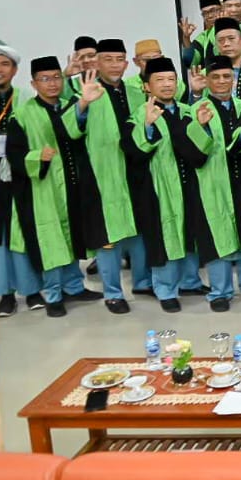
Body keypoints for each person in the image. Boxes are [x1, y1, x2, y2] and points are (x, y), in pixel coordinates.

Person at [5, 57, 105, 317]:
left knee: (72, 237)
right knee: (51, 242)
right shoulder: (22, 115)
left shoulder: (71, 105)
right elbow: (14, 154)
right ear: (33, 83)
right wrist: (37, 157)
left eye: (56, 77)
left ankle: (74, 286)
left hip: (71, 184)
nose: (52, 84)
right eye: (45, 79)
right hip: (43, 190)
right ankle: (53, 295)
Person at [128, 56, 210, 312]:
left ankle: (190, 281)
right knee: (165, 238)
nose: (166, 84)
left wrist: (202, 127)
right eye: (159, 80)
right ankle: (165, 289)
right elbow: (133, 151)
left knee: (190, 232)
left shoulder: (187, 110)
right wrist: (148, 126)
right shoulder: (140, 115)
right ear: (147, 86)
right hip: (160, 188)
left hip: (189, 183)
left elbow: (202, 149)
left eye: (171, 79)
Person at [193, 55, 241, 311]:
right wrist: (202, 127)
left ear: (234, 79)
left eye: (227, 76)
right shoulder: (197, 109)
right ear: (206, 80)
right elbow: (194, 147)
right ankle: (220, 291)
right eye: (215, 77)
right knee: (219, 234)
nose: (222, 81)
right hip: (213, 181)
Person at [83, 40, 154, 311]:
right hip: (103, 175)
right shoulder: (88, 92)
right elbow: (71, 128)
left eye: (119, 59)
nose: (114, 65)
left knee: (139, 232)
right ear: (97, 62)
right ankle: (112, 293)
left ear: (126, 64)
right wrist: (82, 104)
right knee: (108, 236)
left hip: (136, 171)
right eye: (108, 59)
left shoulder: (137, 93)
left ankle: (142, 281)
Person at [0, 41, 44, 317]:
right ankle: (4, 294)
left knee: (23, 233)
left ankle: (32, 290)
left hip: (20, 176)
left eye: (5, 64)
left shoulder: (26, 99)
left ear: (15, 70)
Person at [181, 0, 222, 69]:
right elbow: (190, 62)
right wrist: (186, 38)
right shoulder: (203, 37)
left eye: (213, 11)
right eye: (205, 13)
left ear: (222, 10)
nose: (209, 16)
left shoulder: (237, 28)